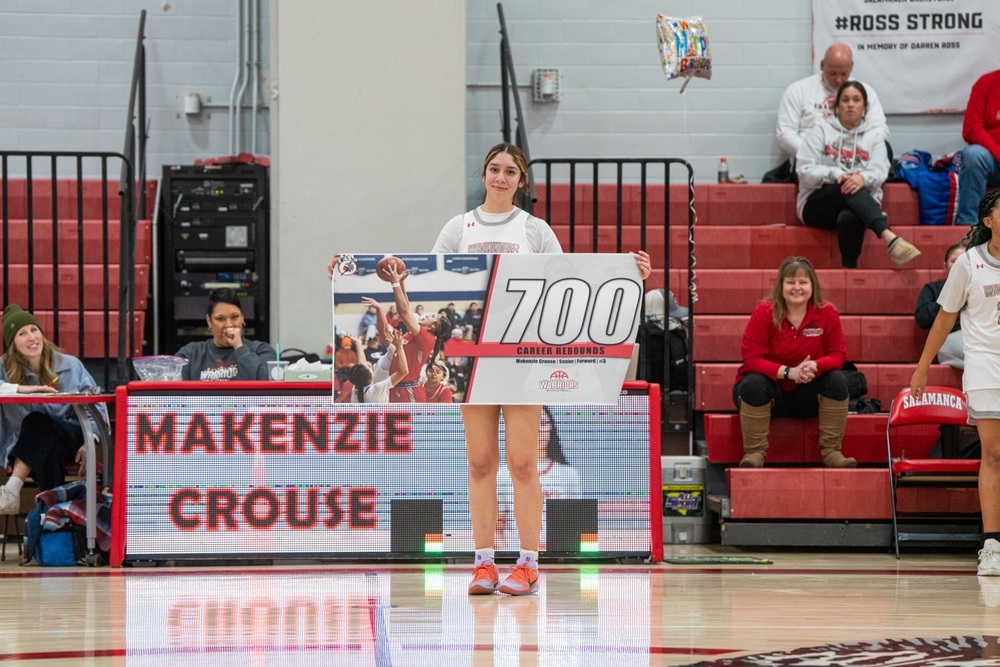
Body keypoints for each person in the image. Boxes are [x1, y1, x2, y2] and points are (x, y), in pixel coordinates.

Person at [328, 142, 651, 596]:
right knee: (480, 464)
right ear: (484, 175)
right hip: (471, 363)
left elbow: (572, 283)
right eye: (494, 169)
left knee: (524, 463)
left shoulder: (535, 229)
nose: (501, 177)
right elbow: (423, 283)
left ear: (521, 181)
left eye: (510, 172)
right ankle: (483, 563)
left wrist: (631, 273)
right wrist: (349, 275)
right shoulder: (458, 227)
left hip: (521, 360)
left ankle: (528, 563)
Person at [910, 191, 1000, 576]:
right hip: (986, 365)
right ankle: (992, 545)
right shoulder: (968, 264)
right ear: (988, 221)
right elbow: (945, 319)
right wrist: (922, 367)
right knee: (994, 454)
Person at [733, 256, 855, 469]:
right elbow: (751, 359)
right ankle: (754, 454)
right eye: (790, 282)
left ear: (812, 286)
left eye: (803, 282)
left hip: (806, 393)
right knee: (753, 383)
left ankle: (832, 452)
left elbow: (838, 354)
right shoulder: (764, 312)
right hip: (769, 393)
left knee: (837, 379)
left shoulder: (827, 312)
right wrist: (790, 372)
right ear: (781, 285)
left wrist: (815, 366)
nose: (797, 287)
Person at [796, 80, 920, 269]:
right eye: (845, 100)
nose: (851, 104)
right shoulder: (819, 130)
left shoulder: (875, 136)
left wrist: (863, 178)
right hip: (818, 204)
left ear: (865, 107)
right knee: (847, 185)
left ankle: (849, 270)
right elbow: (804, 171)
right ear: (837, 106)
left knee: (850, 216)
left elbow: (880, 171)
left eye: (856, 100)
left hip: (859, 206)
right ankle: (888, 236)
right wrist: (836, 174)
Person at [0, 304, 106, 512]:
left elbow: (98, 406)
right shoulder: (3, 367)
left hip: (71, 438)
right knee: (47, 449)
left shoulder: (70, 364)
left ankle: (12, 489)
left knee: (37, 422)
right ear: (12, 343)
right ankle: (51, 518)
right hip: (30, 446)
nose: (31, 337)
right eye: (22, 333)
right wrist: (22, 389)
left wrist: (90, 440)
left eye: (34, 330)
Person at [775, 43, 888, 172]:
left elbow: (881, 131)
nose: (839, 80)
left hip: (856, 163)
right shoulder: (798, 90)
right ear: (822, 65)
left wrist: (852, 154)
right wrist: (817, 154)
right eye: (833, 73)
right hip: (811, 163)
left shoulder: (866, 92)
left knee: (885, 152)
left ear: (852, 66)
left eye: (844, 74)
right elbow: (784, 135)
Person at [176, 288, 275, 381]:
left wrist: (239, 348)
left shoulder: (262, 350)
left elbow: (267, 385)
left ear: (242, 318)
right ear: (209, 321)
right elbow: (172, 390)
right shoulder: (191, 353)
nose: (229, 325)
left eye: (235, 317)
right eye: (220, 319)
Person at [956, 69, 1000, 226]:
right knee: (973, 155)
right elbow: (971, 128)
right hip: (993, 163)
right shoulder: (986, 83)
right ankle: (969, 228)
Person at [914, 243, 966, 369]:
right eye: (954, 261)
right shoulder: (932, 289)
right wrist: (949, 298)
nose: (960, 265)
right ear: (945, 266)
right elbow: (922, 319)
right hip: (951, 337)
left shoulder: (983, 287)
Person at [345, 329, 408, 403]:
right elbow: (403, 372)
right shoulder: (375, 390)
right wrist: (399, 347)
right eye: (369, 367)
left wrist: (358, 344)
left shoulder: (356, 388)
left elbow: (362, 365)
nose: (369, 366)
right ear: (370, 378)